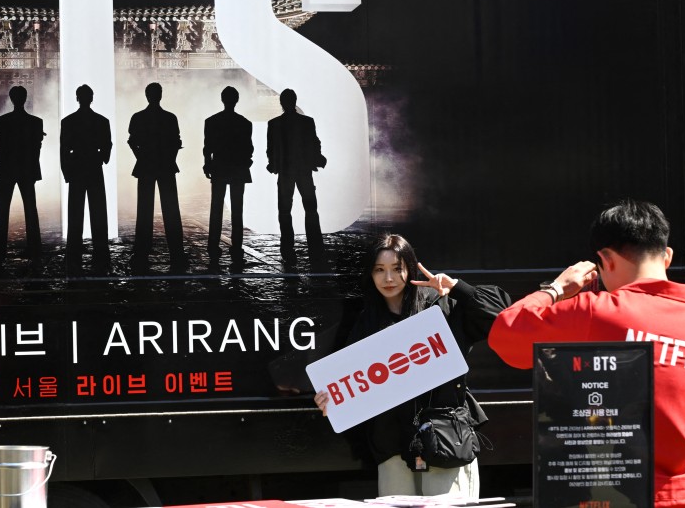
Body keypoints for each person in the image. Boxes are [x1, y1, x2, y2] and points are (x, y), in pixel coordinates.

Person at [488, 200, 685, 508]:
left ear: (605, 260)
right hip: (683, 498)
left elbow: (505, 336)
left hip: (613, 496)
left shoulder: (595, 313)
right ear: (667, 257)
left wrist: (557, 289)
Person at [314, 234, 510, 498]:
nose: (389, 279)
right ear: (370, 275)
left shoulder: (441, 306)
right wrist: (333, 403)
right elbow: (353, 386)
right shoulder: (365, 324)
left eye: (397, 269)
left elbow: (501, 315)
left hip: (445, 442)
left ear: (410, 267)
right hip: (393, 449)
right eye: (379, 270)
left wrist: (457, 287)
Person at [127, 82, 186, 271]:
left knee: (144, 210)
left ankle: (141, 252)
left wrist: (141, 157)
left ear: (147, 96)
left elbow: (132, 141)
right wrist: (169, 159)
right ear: (160, 95)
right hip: (166, 166)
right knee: (171, 210)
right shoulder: (170, 118)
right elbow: (176, 143)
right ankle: (176, 252)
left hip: (145, 166)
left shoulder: (138, 118)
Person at [266, 88, 326, 266]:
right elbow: (314, 143)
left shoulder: (274, 124)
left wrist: (273, 164)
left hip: (285, 172)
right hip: (304, 171)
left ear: (281, 103)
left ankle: (287, 249)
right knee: (311, 209)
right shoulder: (307, 122)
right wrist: (317, 159)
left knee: (284, 211)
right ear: (295, 101)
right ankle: (315, 247)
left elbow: (271, 149)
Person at [0, 85, 45, 269]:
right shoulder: (36, 122)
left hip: (7, 170)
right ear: (25, 98)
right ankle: (34, 248)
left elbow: (1, 151)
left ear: (11, 99)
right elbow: (36, 151)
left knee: (2, 210)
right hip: (27, 170)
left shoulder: (2, 121)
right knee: (31, 210)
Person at [60, 84, 113, 276]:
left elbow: (64, 150)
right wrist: (101, 157)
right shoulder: (101, 121)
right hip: (94, 168)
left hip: (76, 170)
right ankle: (101, 252)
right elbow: (107, 145)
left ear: (77, 98)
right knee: (98, 211)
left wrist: (67, 172)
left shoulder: (68, 121)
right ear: (92, 98)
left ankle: (73, 253)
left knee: (75, 213)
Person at [202, 86, 253, 268]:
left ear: (222, 99)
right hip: (238, 169)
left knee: (216, 208)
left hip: (219, 168)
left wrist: (208, 163)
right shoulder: (245, 123)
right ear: (236, 100)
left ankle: (213, 246)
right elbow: (249, 149)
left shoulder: (212, 122)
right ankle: (236, 247)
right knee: (237, 210)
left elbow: (207, 148)